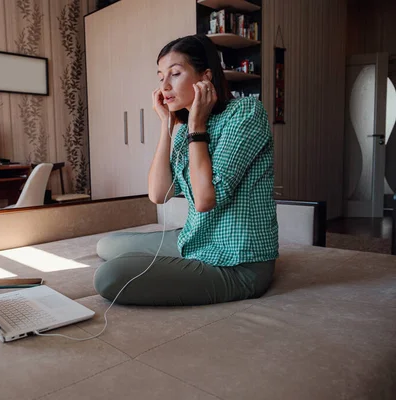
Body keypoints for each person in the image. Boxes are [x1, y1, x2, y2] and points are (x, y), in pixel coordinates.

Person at [93, 34, 279, 306]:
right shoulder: (184, 131)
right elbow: (158, 194)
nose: (164, 86)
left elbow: (205, 200)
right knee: (106, 246)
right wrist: (166, 126)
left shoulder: (246, 113)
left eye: (175, 74)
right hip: (196, 241)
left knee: (109, 276)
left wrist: (197, 128)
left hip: (238, 262)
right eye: (160, 77)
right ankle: (178, 249)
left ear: (206, 77)